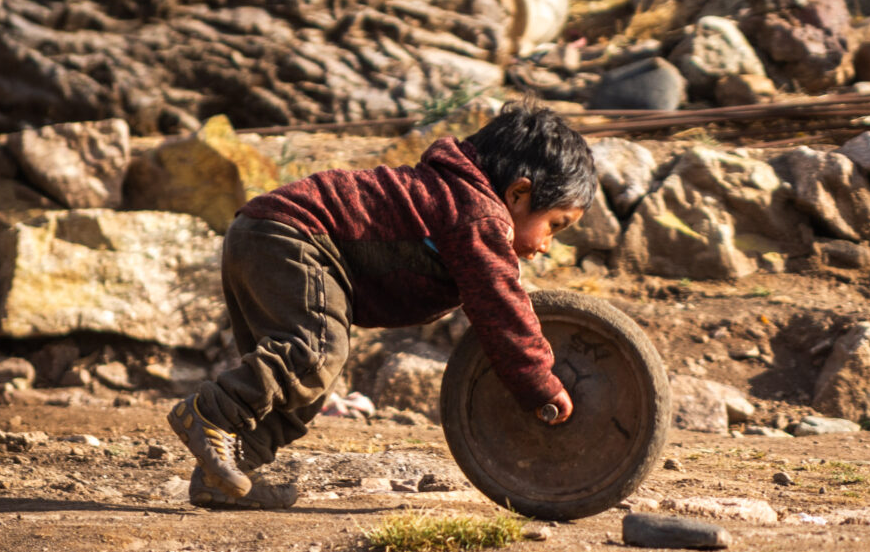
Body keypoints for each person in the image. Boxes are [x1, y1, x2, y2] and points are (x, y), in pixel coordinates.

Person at [167, 101, 597, 508]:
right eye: (554, 226)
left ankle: (225, 476)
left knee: (307, 379)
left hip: (261, 233)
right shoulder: (479, 215)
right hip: (291, 236)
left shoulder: (456, 201)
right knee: (314, 354)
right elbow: (501, 308)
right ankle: (211, 412)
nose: (545, 246)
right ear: (519, 193)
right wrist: (540, 384)